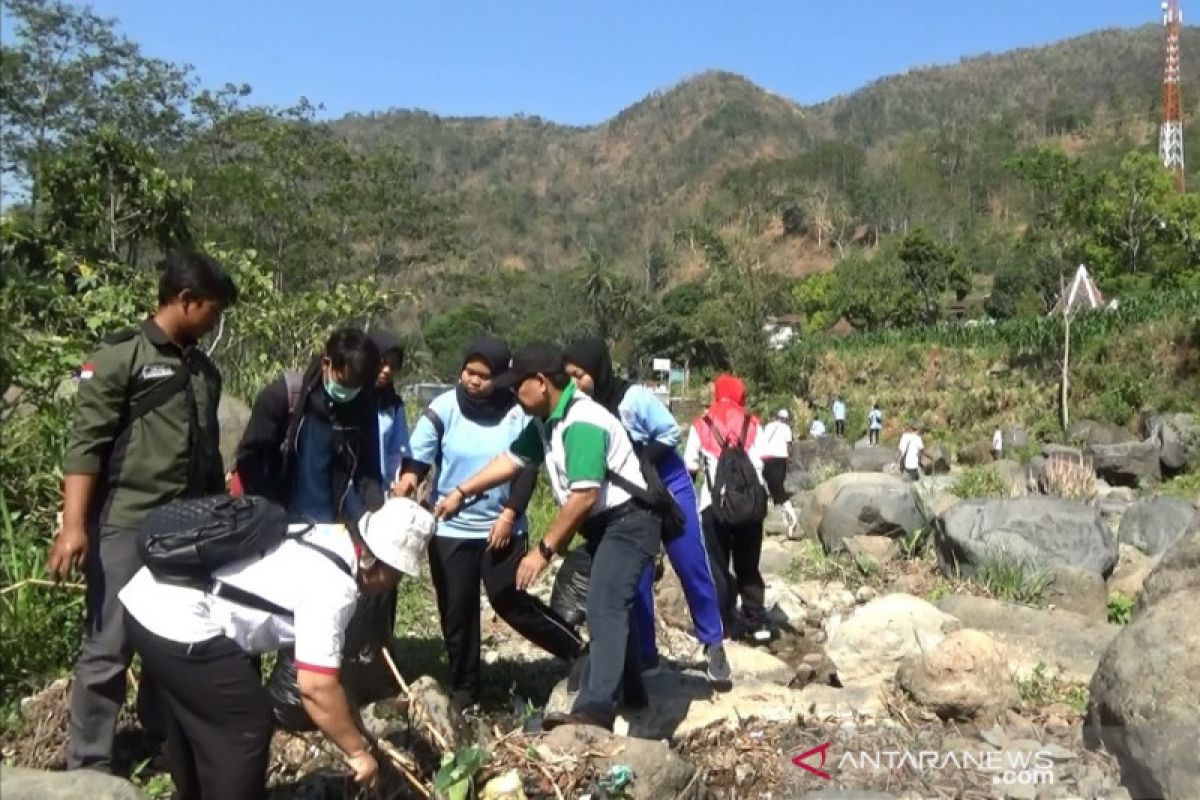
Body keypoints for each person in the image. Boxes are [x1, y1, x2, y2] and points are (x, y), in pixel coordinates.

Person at [48, 250, 237, 772]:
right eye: (212, 311)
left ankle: (159, 741)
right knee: (108, 649)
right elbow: (85, 446)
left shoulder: (204, 371)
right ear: (185, 300)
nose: (215, 322)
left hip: (185, 529)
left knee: (172, 639)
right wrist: (72, 527)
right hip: (127, 523)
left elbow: (208, 453)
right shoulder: (119, 357)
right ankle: (88, 767)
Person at [120, 496, 434, 800]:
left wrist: (355, 730)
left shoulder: (329, 536)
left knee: (199, 715)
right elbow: (315, 688)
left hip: (147, 601)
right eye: (399, 573)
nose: (395, 583)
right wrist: (357, 753)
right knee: (248, 722)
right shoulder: (335, 587)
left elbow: (328, 680)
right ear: (378, 561)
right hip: (177, 621)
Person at [435, 344, 661, 731]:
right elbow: (510, 461)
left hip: (630, 522)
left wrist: (542, 551)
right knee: (608, 600)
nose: (511, 395)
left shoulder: (582, 421)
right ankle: (632, 690)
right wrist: (461, 491)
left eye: (516, 387)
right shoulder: (545, 421)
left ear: (540, 383)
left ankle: (595, 708)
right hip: (605, 526)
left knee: (605, 603)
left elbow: (584, 496)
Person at [394, 337, 584, 713]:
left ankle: (576, 650)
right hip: (451, 528)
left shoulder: (518, 410)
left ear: (500, 377)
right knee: (457, 610)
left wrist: (509, 513)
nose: (474, 381)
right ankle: (466, 690)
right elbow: (418, 459)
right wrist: (409, 481)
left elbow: (525, 466)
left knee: (509, 599)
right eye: (469, 372)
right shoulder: (443, 408)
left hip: (502, 526)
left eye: (484, 375)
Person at [563, 339, 730, 687]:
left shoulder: (633, 398)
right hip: (630, 492)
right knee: (633, 572)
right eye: (569, 377)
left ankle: (713, 642)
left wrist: (641, 461)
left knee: (689, 561)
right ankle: (646, 654)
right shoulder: (579, 411)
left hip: (665, 479)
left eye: (579, 375)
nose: (575, 383)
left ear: (597, 370)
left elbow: (669, 432)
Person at [235, 328, 385, 527]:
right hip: (281, 522)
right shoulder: (283, 399)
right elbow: (250, 458)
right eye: (344, 383)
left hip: (334, 526)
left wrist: (375, 511)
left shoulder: (362, 410)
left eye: (356, 387)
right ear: (326, 364)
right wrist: (269, 511)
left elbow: (368, 471)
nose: (348, 392)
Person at [684, 375, 771, 643]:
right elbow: (765, 463)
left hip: (714, 507)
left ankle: (722, 622)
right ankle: (756, 622)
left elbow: (690, 467)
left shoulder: (702, 424)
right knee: (748, 565)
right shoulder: (753, 423)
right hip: (750, 508)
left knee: (718, 567)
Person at [369, 331, 410, 486]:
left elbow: (396, 454)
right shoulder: (350, 398)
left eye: (393, 366)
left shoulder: (393, 406)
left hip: (380, 492)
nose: (386, 370)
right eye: (382, 362)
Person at [760, 409, 798, 535]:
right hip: (780, 457)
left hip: (766, 457)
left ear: (776, 416)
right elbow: (789, 445)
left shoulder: (768, 426)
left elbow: (763, 441)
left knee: (771, 485)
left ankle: (779, 513)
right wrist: (790, 458)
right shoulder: (786, 428)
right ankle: (791, 516)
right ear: (786, 419)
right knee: (779, 485)